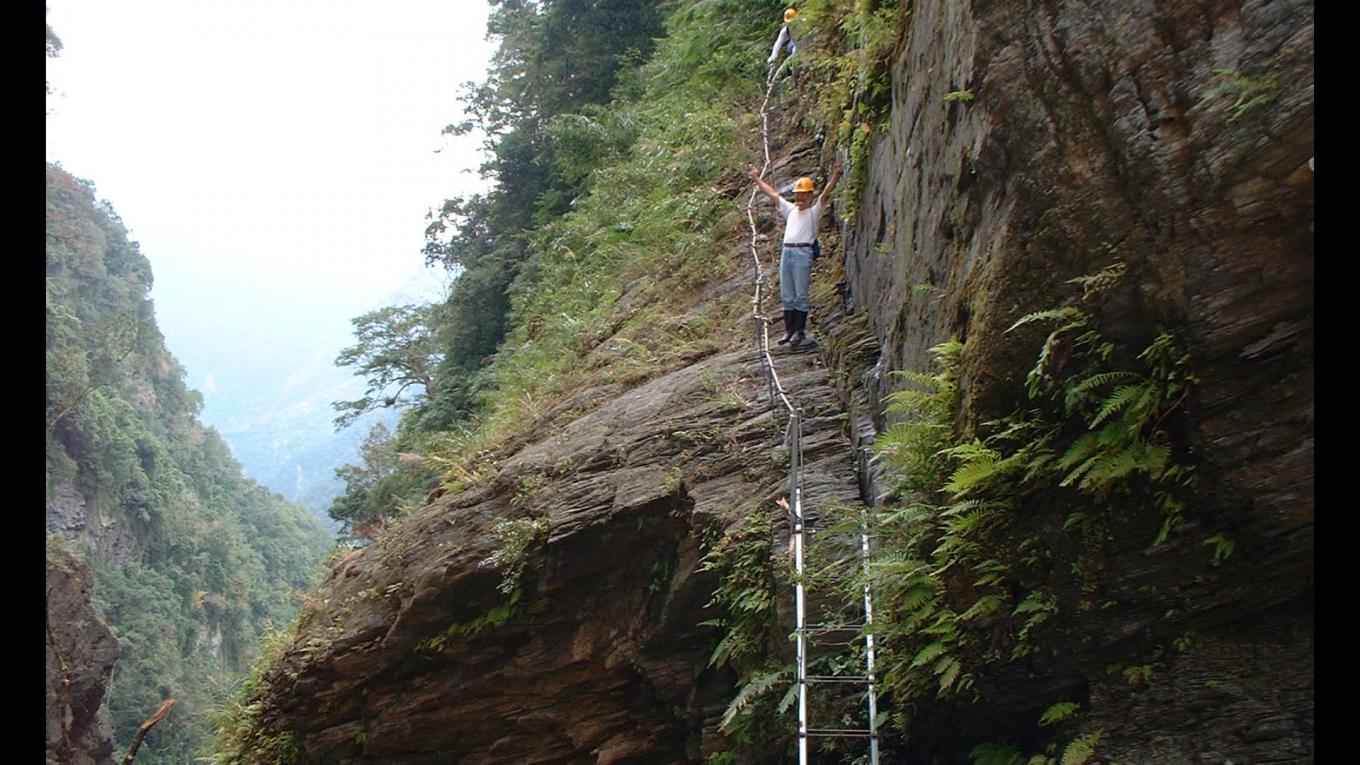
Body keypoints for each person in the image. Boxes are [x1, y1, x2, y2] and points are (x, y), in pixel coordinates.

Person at [749, 162, 842, 347]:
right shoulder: (790, 210)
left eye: (803, 195)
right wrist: (757, 178)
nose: (799, 198)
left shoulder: (814, 212)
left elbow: (825, 195)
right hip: (787, 252)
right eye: (797, 195)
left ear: (809, 196)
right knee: (787, 293)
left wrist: (835, 176)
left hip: (802, 252)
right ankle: (789, 330)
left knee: (800, 293)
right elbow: (773, 194)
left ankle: (799, 331)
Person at [768, 8, 799, 75]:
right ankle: (794, 69)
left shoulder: (804, 24)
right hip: (794, 46)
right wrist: (773, 56)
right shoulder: (786, 30)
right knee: (790, 47)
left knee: (794, 48)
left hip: (806, 44)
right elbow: (778, 43)